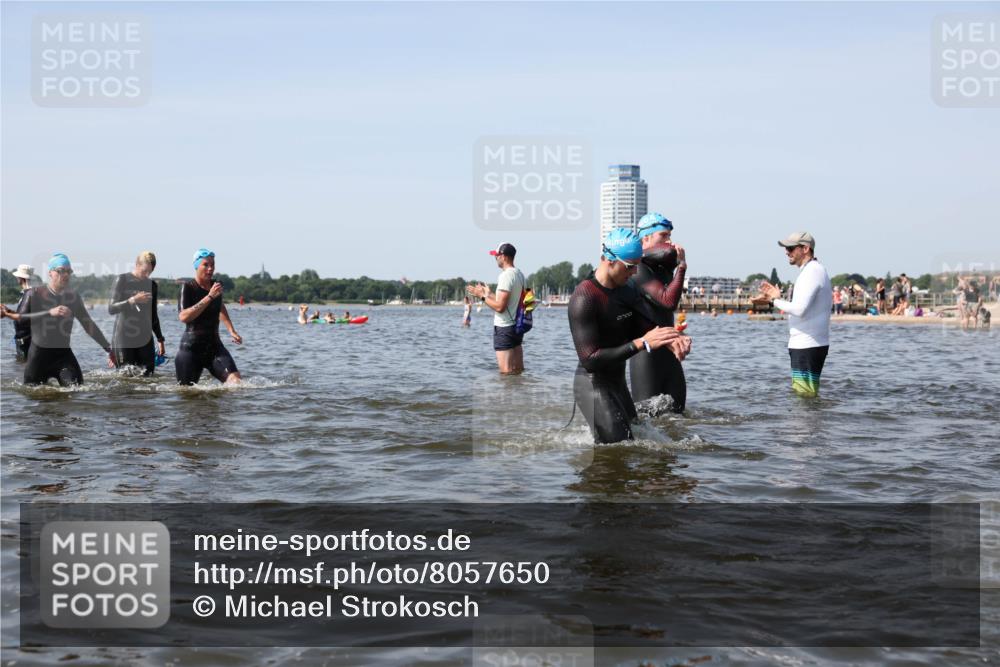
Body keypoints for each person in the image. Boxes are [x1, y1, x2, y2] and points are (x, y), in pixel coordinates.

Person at [568, 229, 683, 443]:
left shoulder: (627, 288)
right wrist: (641, 344)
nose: (634, 272)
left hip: (618, 383)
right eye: (630, 266)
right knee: (620, 449)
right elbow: (590, 360)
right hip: (592, 383)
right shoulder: (585, 297)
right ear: (608, 260)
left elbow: (646, 326)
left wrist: (670, 339)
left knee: (638, 441)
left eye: (637, 265)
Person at [16, 253, 114, 385]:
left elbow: (88, 325)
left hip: (63, 356)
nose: (66, 275)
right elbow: (19, 321)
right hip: (38, 358)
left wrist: (108, 348)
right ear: (50, 272)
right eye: (61, 271)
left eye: (69, 271)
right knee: (34, 397)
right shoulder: (34, 294)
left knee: (77, 390)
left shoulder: (73, 298)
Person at [628, 212, 690, 412]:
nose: (669, 241)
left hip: (668, 349)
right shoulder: (638, 269)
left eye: (670, 235)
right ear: (645, 238)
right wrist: (681, 267)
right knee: (646, 416)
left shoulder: (659, 267)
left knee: (677, 414)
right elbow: (668, 301)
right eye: (663, 236)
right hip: (646, 354)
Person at [758, 232, 832, 397]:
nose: (786, 252)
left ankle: (806, 423)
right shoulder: (813, 270)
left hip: (807, 345)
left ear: (805, 249)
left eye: (791, 248)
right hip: (809, 344)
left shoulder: (812, 271)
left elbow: (799, 309)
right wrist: (776, 299)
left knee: (804, 397)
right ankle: (811, 422)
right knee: (806, 395)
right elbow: (803, 308)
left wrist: (774, 301)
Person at [175, 249, 242, 385]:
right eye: (206, 265)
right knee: (187, 394)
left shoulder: (215, 285)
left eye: (212, 265)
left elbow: (220, 307)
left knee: (236, 383)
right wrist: (209, 297)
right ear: (196, 266)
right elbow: (183, 317)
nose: (210, 269)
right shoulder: (188, 287)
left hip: (215, 347)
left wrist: (231, 330)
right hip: (191, 348)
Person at [466, 243, 526, 375]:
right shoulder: (520, 274)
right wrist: (488, 293)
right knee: (518, 371)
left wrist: (481, 296)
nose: (495, 259)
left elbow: (500, 307)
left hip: (505, 328)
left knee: (506, 374)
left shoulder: (505, 276)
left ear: (503, 257)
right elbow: (508, 300)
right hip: (517, 327)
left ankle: (507, 396)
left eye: (496, 256)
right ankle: (521, 395)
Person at [108, 251, 166, 376]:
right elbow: (111, 308)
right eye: (144, 271)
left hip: (145, 337)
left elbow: (153, 315)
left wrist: (160, 339)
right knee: (126, 378)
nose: (146, 275)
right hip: (124, 338)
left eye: (149, 272)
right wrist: (133, 300)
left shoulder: (152, 285)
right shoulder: (122, 280)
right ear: (137, 264)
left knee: (148, 376)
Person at [0, 264, 36, 362]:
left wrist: (5, 314)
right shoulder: (29, 293)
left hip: (26, 343)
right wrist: (8, 310)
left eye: (17, 277)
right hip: (27, 341)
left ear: (21, 278)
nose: (16, 279)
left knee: (24, 370)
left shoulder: (29, 294)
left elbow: (22, 318)